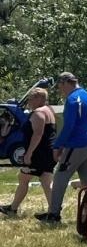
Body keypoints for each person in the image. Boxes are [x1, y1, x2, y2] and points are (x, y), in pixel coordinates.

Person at [35, 72, 87, 225]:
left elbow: (69, 126)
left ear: (65, 83)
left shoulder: (71, 100)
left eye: (60, 87)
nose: (60, 90)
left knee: (59, 178)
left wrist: (58, 146)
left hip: (77, 144)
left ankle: (54, 214)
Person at [0, 87, 56, 217]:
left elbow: (37, 134)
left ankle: (13, 209)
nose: (29, 102)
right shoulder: (49, 110)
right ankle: (53, 212)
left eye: (30, 98)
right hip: (48, 152)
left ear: (39, 98)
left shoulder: (39, 113)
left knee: (30, 179)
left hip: (39, 153)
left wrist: (29, 153)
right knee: (41, 180)